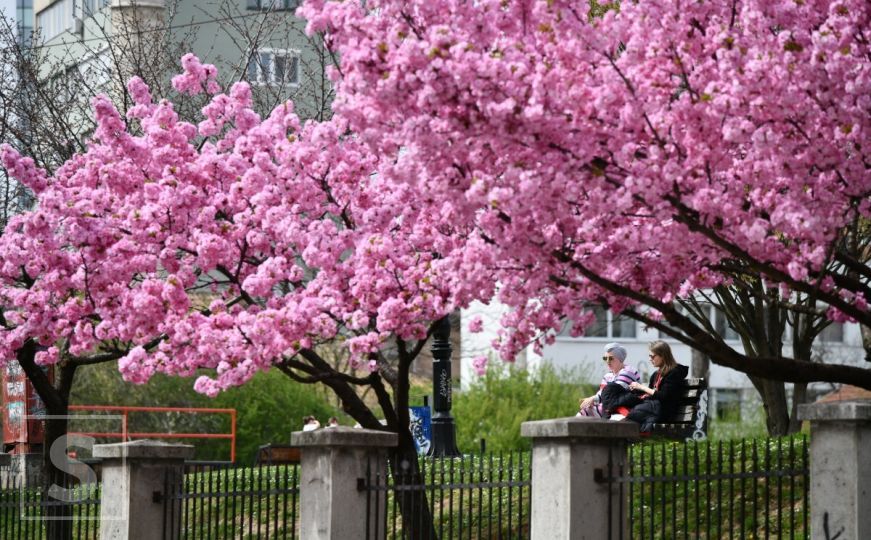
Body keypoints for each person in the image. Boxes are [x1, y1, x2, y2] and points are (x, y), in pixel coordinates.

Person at [626, 340, 689, 433]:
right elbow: (651, 393)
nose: (650, 359)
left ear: (663, 356)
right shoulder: (656, 374)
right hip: (653, 409)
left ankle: (620, 431)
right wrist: (637, 389)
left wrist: (642, 387)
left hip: (663, 412)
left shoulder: (675, 373)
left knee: (629, 415)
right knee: (622, 397)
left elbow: (664, 396)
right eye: (649, 356)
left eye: (652, 356)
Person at [577, 342, 640, 418]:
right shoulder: (607, 376)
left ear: (620, 359)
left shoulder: (628, 372)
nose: (607, 361)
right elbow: (602, 393)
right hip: (611, 407)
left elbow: (613, 392)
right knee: (584, 411)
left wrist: (593, 399)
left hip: (625, 408)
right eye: (605, 358)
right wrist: (590, 402)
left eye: (610, 358)